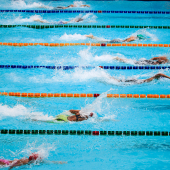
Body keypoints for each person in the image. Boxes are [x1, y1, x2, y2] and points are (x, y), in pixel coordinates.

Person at [0, 153, 66, 169]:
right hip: (8, 162)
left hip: (9, 161)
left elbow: (14, 164)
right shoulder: (26, 161)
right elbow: (14, 165)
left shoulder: (27, 160)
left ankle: (59, 162)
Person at [85, 34, 149, 43]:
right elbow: (126, 41)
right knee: (104, 42)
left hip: (118, 40)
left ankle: (92, 37)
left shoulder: (133, 36)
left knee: (105, 41)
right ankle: (92, 37)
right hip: (118, 41)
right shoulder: (133, 38)